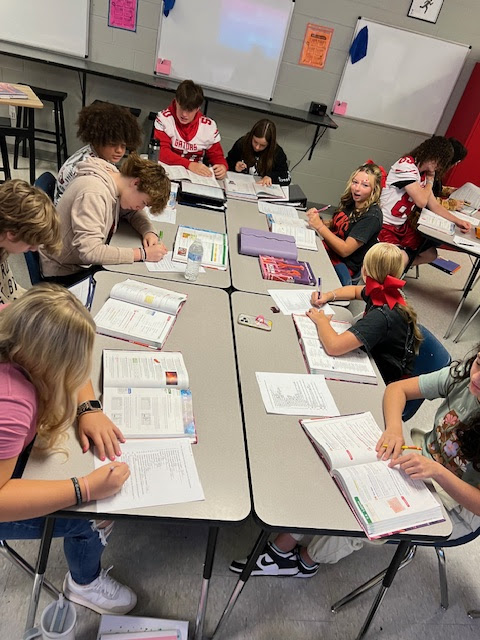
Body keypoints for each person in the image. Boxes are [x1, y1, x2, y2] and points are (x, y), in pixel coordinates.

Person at [231, 342, 480, 578]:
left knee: (367, 510)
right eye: (479, 364)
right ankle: (285, 544)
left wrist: (437, 472)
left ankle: (306, 561)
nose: (477, 378)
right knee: (345, 467)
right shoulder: (464, 375)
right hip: (421, 459)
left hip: (458, 506)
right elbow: (397, 389)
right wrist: (394, 428)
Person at [0, 284, 136, 613]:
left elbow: (69, 366)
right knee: (94, 516)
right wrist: (84, 488)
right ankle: (84, 584)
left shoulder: (11, 321)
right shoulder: (12, 406)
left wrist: (88, 407)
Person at [40, 153, 170, 286]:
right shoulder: (94, 194)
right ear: (136, 182)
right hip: (62, 272)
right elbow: (90, 252)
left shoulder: (115, 178)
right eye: (143, 202)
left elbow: (131, 213)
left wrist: (148, 231)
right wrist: (142, 254)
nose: (140, 208)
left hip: (76, 262)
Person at [306, 242, 421, 385]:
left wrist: (322, 321)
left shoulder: (381, 316)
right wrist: (328, 295)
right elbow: (354, 291)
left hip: (385, 377)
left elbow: (333, 346)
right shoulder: (386, 290)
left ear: (365, 271)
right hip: (381, 355)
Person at [379, 136, 471, 268]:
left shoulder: (423, 173)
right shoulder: (406, 165)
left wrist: (458, 221)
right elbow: (421, 202)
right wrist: (430, 181)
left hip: (400, 226)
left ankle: (393, 267)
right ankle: (387, 267)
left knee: (430, 254)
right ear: (430, 153)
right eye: (439, 161)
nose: (438, 166)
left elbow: (434, 205)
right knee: (398, 257)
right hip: (384, 224)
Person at [306, 162, 383, 285]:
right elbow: (340, 224)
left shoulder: (372, 216)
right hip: (328, 251)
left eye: (365, 185)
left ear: (375, 189)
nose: (357, 188)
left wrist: (320, 226)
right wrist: (319, 221)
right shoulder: (351, 201)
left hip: (342, 266)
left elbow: (345, 250)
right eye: (355, 182)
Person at [55, 102, 142, 203]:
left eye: (123, 145)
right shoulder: (85, 168)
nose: (119, 150)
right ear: (97, 140)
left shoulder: (101, 156)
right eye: (113, 144)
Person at [0, 179, 60, 304]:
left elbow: (10, 292)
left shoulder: (3, 246)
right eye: (31, 243)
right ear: (12, 234)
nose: (34, 249)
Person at [153, 79, 228, 180]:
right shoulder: (164, 118)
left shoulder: (208, 126)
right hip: (168, 174)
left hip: (196, 178)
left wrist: (222, 167)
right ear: (176, 101)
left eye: (189, 110)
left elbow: (217, 156)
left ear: (198, 108)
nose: (184, 114)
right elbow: (161, 152)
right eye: (181, 108)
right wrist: (189, 165)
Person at [226, 119, 291, 186]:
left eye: (262, 145)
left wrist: (271, 177)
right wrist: (234, 166)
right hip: (241, 185)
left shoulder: (277, 152)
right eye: (255, 142)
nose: (257, 147)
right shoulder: (242, 143)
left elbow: (286, 178)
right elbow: (227, 162)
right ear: (251, 136)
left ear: (269, 144)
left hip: (262, 188)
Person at [433, 138, 468, 212]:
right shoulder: (430, 169)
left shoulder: (437, 170)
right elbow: (426, 197)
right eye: (456, 162)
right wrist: (449, 204)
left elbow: (434, 188)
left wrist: (448, 191)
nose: (455, 165)